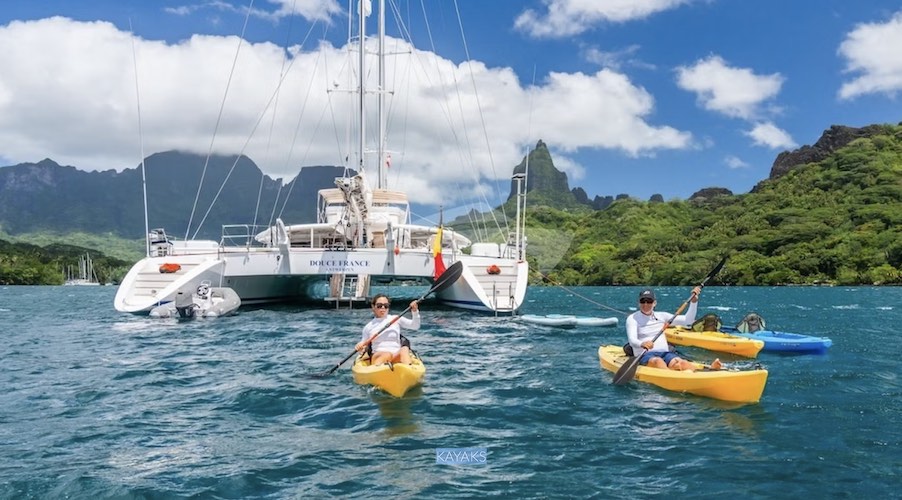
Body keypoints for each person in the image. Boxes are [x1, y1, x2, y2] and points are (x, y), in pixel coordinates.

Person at [625, 287, 722, 371]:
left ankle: (708, 371)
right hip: (645, 355)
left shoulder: (662, 316)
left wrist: (694, 302)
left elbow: (687, 320)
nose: (646, 304)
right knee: (658, 362)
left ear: (654, 303)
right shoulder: (633, 318)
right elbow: (632, 340)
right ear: (639, 303)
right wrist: (642, 344)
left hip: (665, 353)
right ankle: (672, 374)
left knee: (682, 363)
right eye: (643, 301)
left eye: (649, 301)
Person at [355, 294, 420, 365]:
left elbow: (415, 326)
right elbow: (363, 343)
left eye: (386, 306)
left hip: (395, 356)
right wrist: (360, 346)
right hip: (378, 355)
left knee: (404, 349)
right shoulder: (368, 327)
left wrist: (415, 311)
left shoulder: (395, 319)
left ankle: (408, 369)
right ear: (373, 307)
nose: (383, 308)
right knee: (386, 354)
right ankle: (378, 368)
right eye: (379, 305)